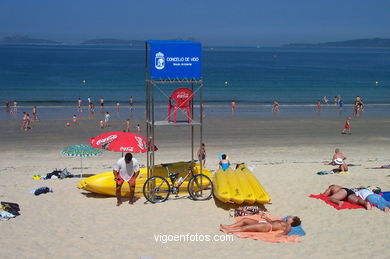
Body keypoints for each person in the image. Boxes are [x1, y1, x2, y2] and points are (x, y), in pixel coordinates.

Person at [220, 214, 301, 235]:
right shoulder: (283, 222)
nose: (289, 216)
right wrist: (266, 218)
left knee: (246, 227)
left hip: (267, 227)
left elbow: (286, 232)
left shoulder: (288, 226)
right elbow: (272, 222)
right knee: (245, 220)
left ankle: (229, 231)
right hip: (265, 223)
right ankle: (229, 226)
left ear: (292, 221)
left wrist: (281, 235)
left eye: (291, 217)